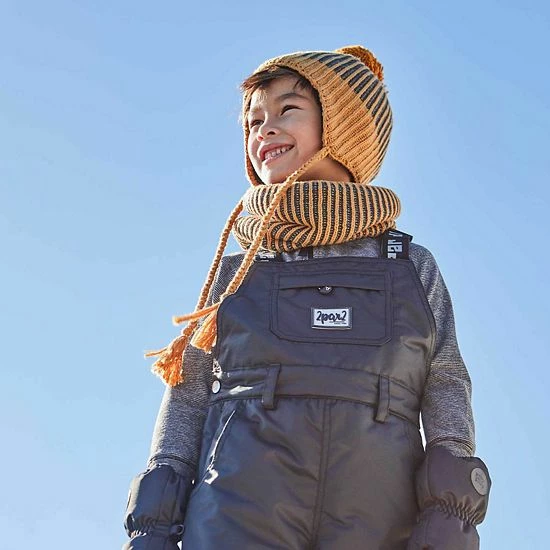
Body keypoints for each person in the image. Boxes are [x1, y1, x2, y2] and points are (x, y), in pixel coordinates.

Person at [123, 45, 491, 549]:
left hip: (379, 516)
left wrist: (450, 506)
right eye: (254, 122)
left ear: (344, 128)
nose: (264, 130)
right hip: (236, 511)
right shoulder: (237, 271)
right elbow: (188, 393)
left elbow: (445, 378)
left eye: (287, 110)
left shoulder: (408, 264)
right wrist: (156, 518)